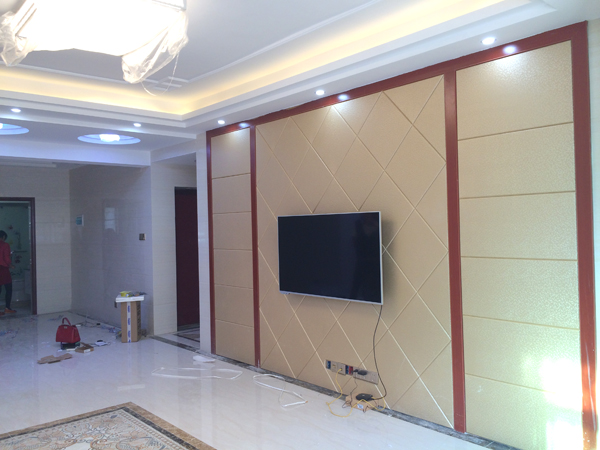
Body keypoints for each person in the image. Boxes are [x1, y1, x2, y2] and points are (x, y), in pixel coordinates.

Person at [0, 230, 16, 315]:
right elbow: (6, 257)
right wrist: (10, 265)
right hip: (2, 269)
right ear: (3, 237)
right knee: (8, 288)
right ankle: (7, 308)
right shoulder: (5, 245)